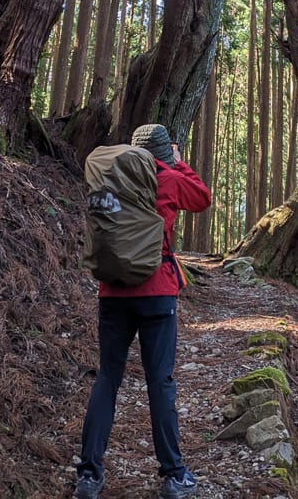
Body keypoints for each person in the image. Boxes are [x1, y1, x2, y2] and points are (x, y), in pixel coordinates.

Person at [74, 123, 211, 499]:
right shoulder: (166, 177)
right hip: (156, 293)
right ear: (164, 153)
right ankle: (173, 475)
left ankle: (88, 473)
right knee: (160, 382)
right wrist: (180, 164)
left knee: (108, 378)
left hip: (112, 292)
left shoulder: (110, 179)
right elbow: (202, 198)